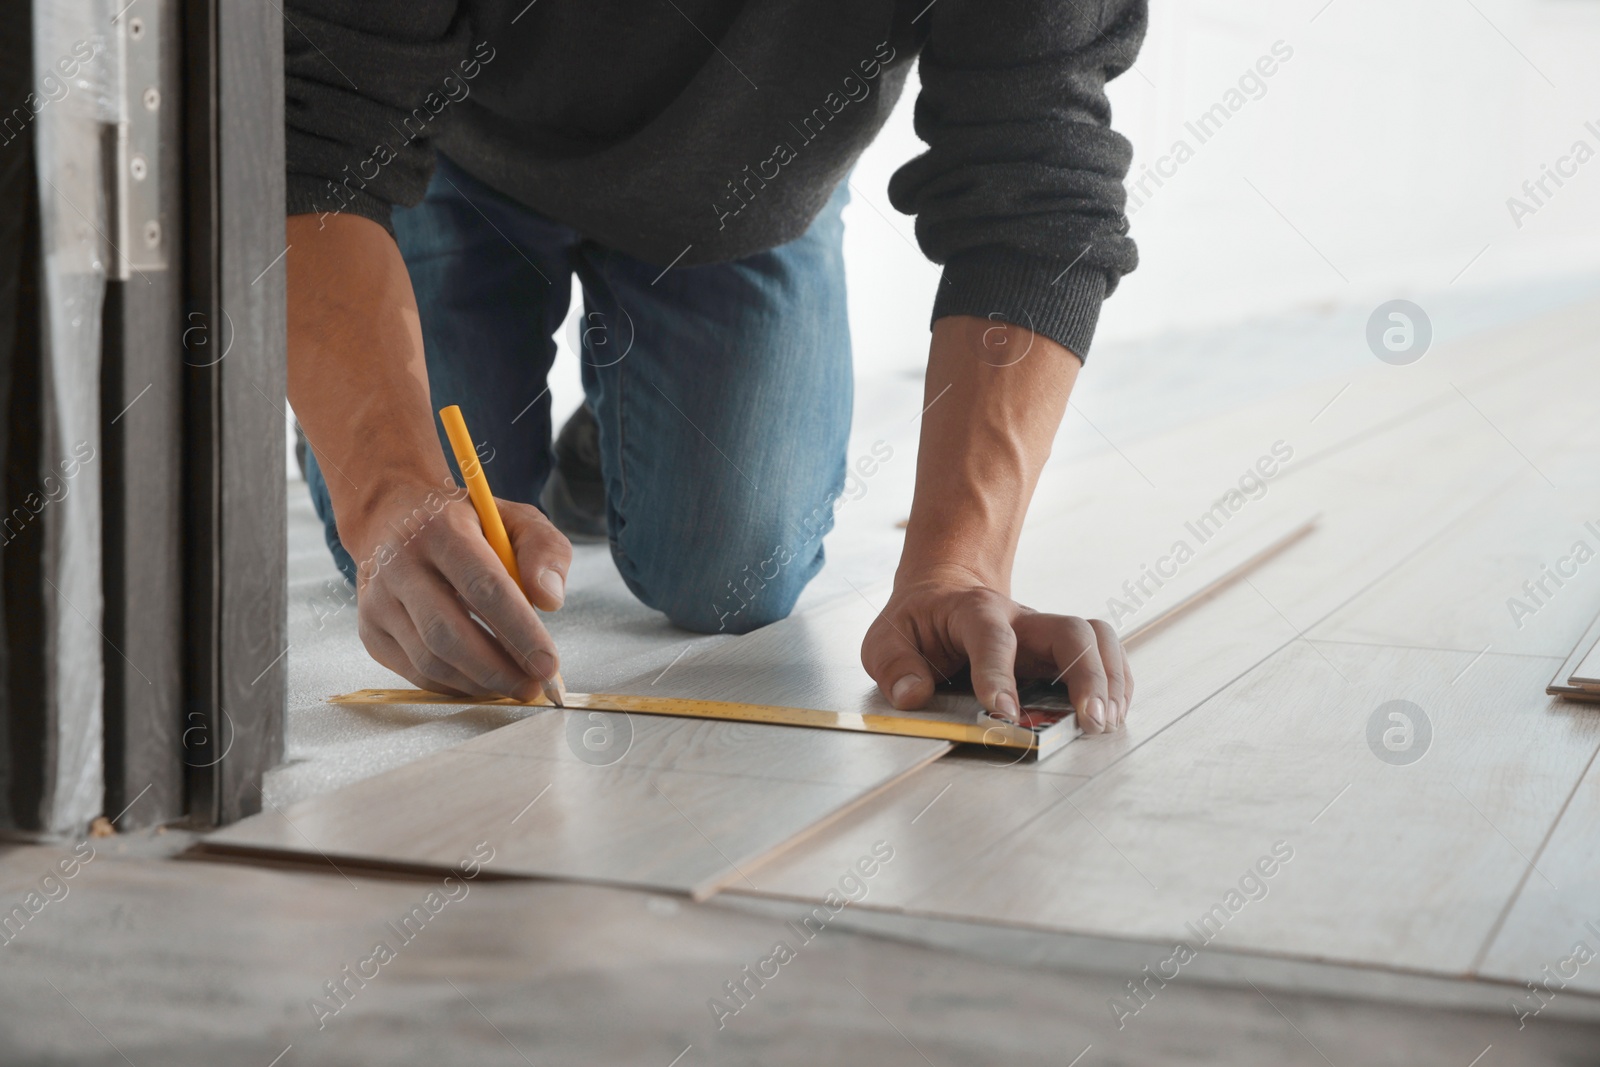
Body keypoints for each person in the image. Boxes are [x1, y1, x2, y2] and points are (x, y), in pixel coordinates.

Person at [285, 0, 1144, 733]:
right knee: (439, 571)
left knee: (732, 574)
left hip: (749, 175)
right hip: (437, 143)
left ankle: (605, 451)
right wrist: (383, 488)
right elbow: (308, 134)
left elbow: (1037, 164)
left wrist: (959, 565)